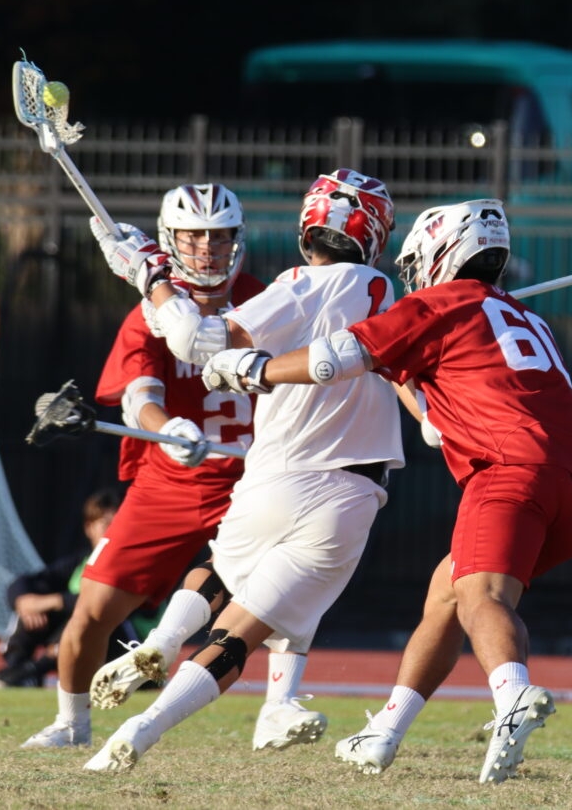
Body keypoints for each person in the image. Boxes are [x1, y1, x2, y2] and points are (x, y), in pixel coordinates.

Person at [206, 198, 572, 784]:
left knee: (481, 596)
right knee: (448, 595)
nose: (414, 278)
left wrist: (254, 369)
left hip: (508, 471)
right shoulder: (524, 317)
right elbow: (435, 386)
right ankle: (385, 731)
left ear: (444, 253)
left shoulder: (440, 304)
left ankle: (513, 695)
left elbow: (335, 358)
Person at [79, 168, 403, 773]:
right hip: (353, 493)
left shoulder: (298, 285)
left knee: (220, 574)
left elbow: (196, 340)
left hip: (272, 479)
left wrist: (150, 277)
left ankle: (165, 646)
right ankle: (150, 727)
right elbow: (429, 414)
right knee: (248, 629)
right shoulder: (397, 303)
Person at [23, 184, 323, 753]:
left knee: (286, 586)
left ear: (238, 240)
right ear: (170, 241)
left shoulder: (267, 299)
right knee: (92, 609)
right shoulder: (151, 314)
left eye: (219, 237)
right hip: (171, 480)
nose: (207, 249)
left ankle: (278, 704)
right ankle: (71, 723)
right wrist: (168, 427)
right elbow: (138, 394)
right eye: (194, 237)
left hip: (254, 481)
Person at [0, 488, 133, 689]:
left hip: (127, 648)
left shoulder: (130, 565)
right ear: (89, 528)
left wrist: (52, 602)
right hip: (80, 635)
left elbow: (103, 601)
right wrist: (24, 601)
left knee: (87, 620)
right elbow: (26, 582)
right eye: (106, 524)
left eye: (117, 525)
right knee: (29, 608)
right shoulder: (81, 562)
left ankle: (30, 672)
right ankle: (16, 668)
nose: (111, 532)